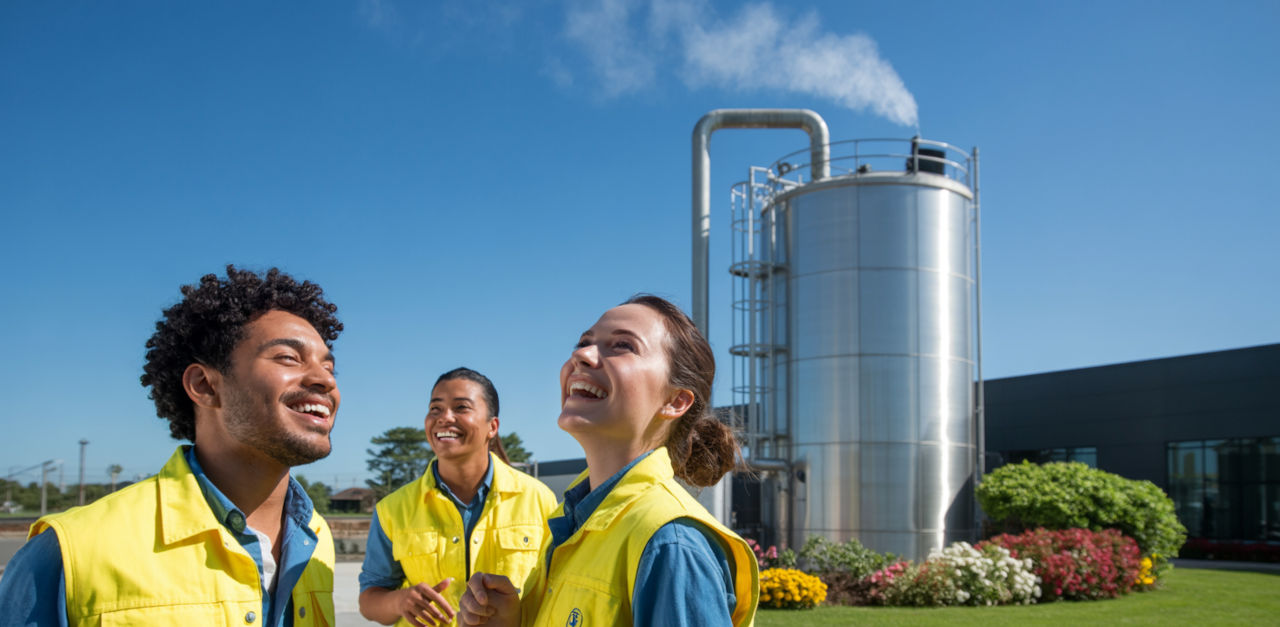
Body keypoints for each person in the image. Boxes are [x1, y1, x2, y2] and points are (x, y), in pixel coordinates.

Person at [0, 266, 343, 626]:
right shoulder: (70, 551)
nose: (324, 380)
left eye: (329, 366)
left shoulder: (316, 539)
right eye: (287, 357)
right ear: (205, 386)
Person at [458, 295, 759, 627]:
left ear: (675, 401)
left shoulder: (670, 544)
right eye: (584, 342)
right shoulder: (570, 520)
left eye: (622, 346)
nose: (581, 354)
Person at [359, 368, 557, 626]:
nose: (444, 418)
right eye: (435, 409)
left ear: (492, 426)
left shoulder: (539, 500)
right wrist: (399, 601)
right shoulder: (393, 509)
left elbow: (555, 592)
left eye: (461, 408)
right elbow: (369, 600)